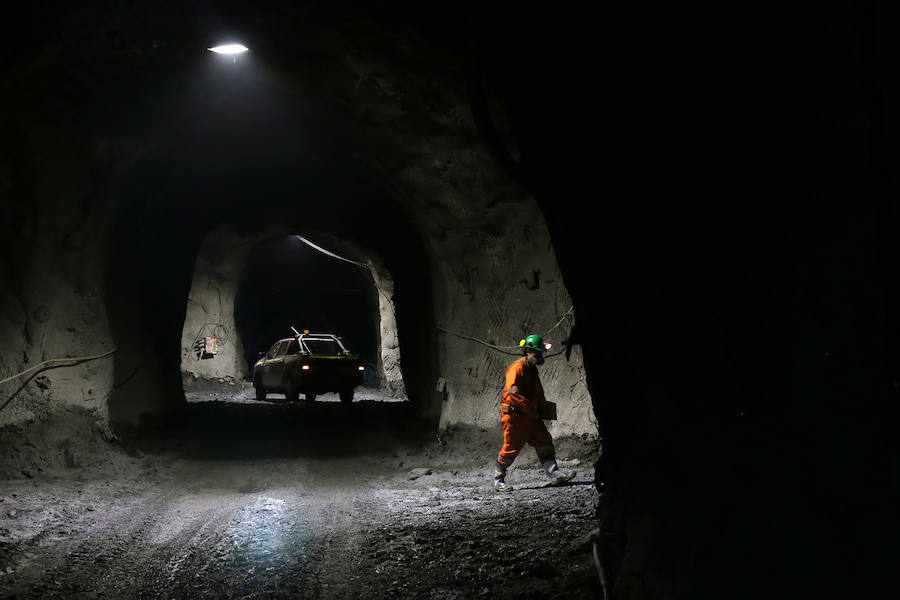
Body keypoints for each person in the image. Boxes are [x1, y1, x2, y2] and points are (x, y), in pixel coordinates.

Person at [493, 334, 576, 492]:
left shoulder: (532, 370)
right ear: (527, 352)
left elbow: (537, 394)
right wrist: (530, 409)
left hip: (530, 416)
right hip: (515, 417)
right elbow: (512, 393)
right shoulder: (517, 368)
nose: (539, 357)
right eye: (537, 354)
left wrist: (542, 409)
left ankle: (554, 474)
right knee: (510, 448)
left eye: (540, 354)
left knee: (544, 440)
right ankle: (498, 480)